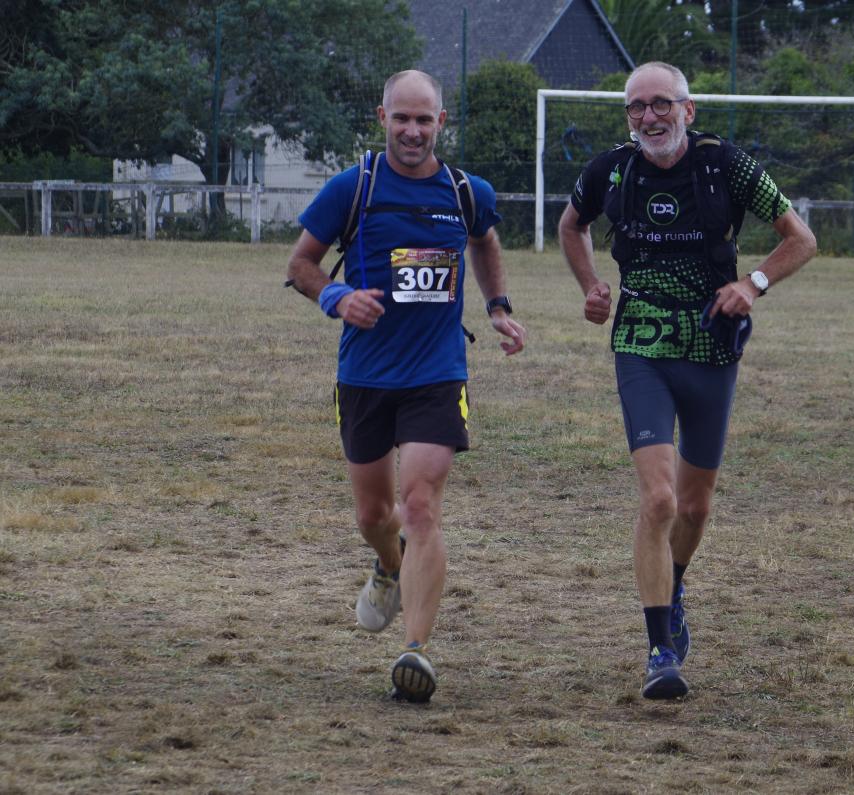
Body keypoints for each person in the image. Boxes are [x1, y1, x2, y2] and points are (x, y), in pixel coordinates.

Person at [557, 61, 817, 699]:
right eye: (637, 107)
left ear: (687, 109)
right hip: (640, 346)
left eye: (661, 104)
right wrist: (591, 285)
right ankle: (660, 650)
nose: (649, 117)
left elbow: (801, 238)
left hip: (710, 349)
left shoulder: (726, 165)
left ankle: (672, 587)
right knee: (660, 500)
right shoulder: (610, 170)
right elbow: (571, 224)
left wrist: (752, 283)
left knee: (695, 507)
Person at [285, 70, 526, 701]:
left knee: (420, 506)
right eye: (402, 118)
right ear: (382, 118)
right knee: (374, 514)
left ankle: (415, 650)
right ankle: (389, 563)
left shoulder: (467, 192)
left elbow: (485, 241)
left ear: (441, 122)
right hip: (365, 375)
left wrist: (498, 306)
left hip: (437, 374)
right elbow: (301, 264)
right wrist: (338, 298)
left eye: (424, 120)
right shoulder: (354, 187)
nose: (413, 131)